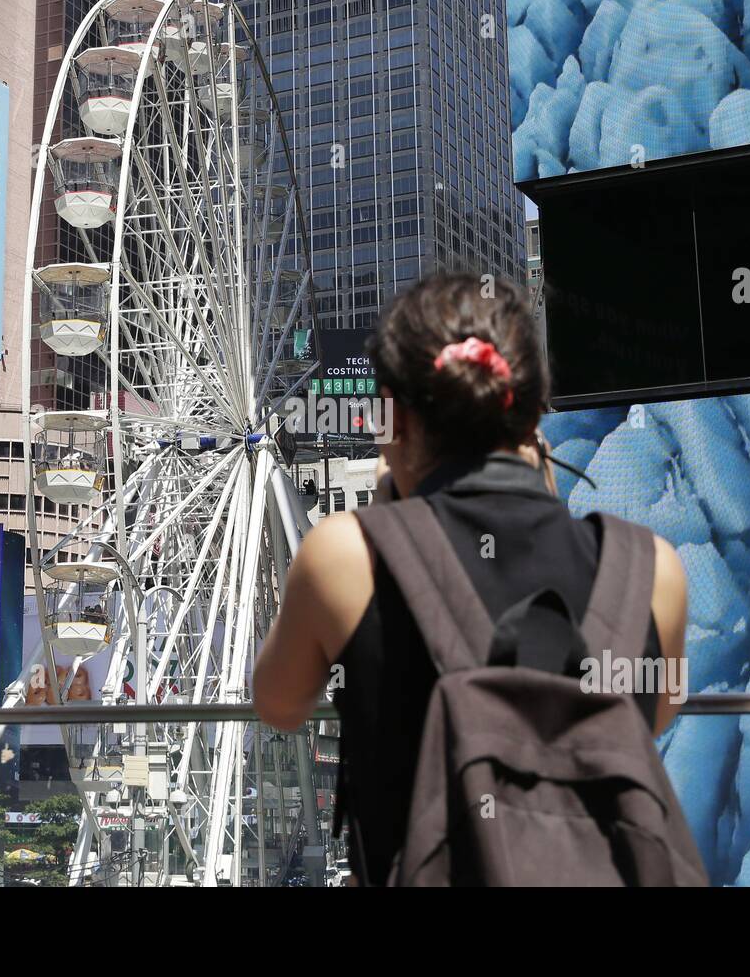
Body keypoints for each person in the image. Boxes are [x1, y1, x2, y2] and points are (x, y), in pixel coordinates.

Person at [253, 273, 689, 886]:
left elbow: (276, 703)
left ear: (393, 421)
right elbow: (653, 714)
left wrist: (387, 522)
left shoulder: (345, 559)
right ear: (537, 413)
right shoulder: (652, 570)